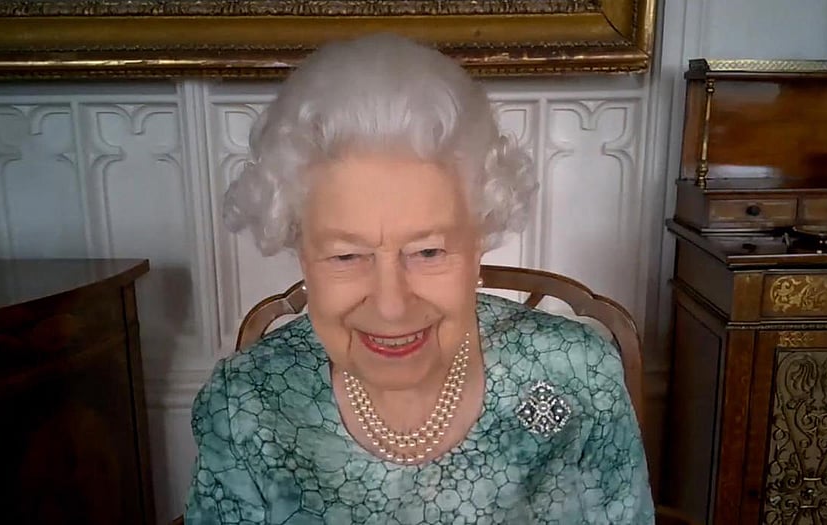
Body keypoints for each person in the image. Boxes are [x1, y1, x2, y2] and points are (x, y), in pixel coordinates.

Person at [184, 33, 654, 524]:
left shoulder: (576, 374)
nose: (391, 305)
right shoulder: (246, 405)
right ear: (303, 256)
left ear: (478, 245)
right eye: (346, 256)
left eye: (428, 251)